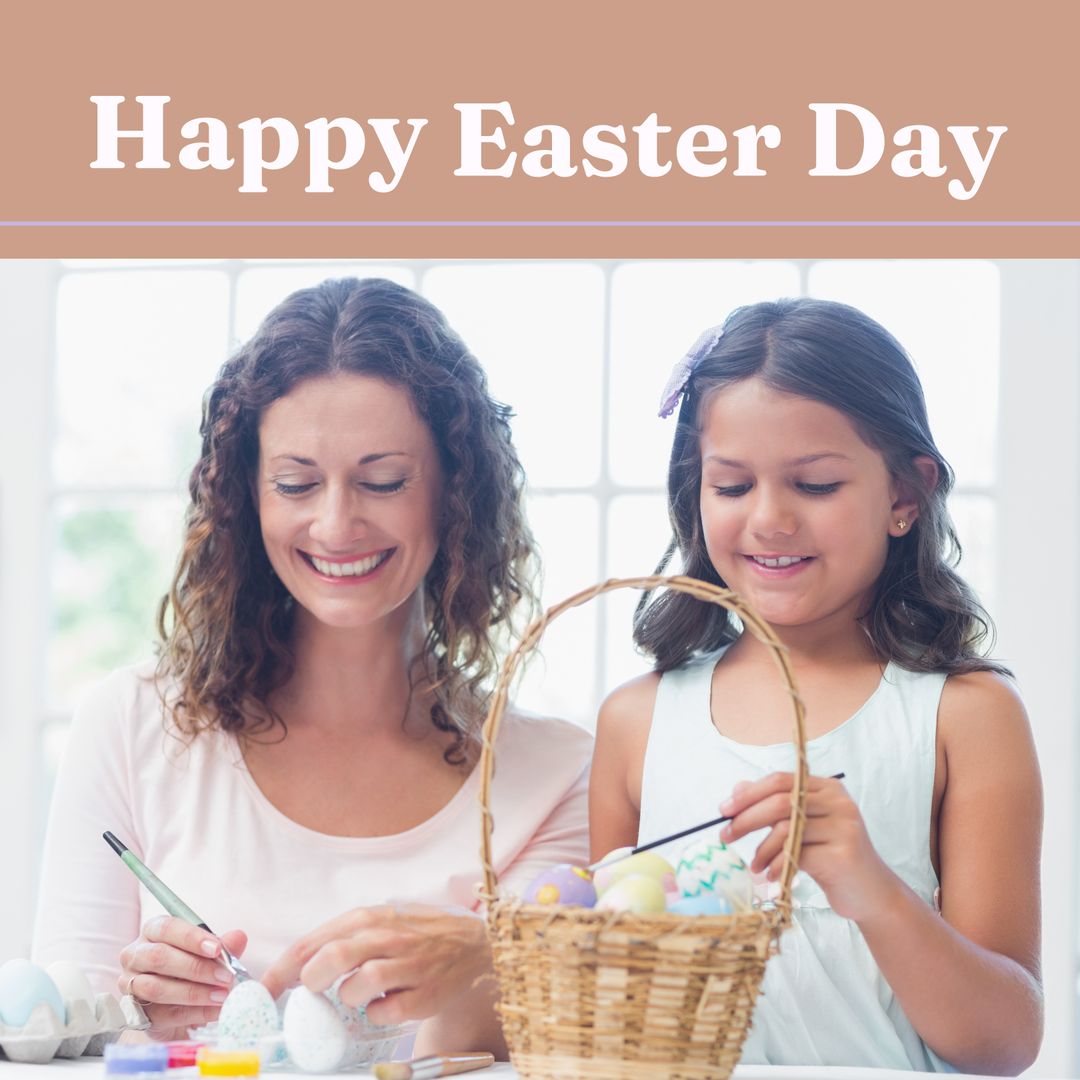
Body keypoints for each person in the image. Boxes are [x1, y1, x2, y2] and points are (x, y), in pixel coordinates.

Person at [33, 277, 591, 1055]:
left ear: (454, 492)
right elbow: (45, 1032)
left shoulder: (554, 774)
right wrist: (136, 1021)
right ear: (246, 497)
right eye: (296, 484)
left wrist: (478, 963)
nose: (335, 524)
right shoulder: (131, 726)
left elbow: (558, 1036)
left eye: (384, 481)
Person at [589, 298, 1042, 1074]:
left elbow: (1004, 1044)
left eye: (818, 485)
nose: (769, 520)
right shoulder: (637, 721)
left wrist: (869, 887)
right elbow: (606, 1004)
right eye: (731, 487)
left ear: (906, 495)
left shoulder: (966, 717)